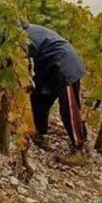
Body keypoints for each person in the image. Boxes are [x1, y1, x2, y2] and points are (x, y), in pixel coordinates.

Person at [21, 22, 89, 166]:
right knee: (39, 98)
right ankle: (41, 135)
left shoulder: (25, 37)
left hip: (65, 67)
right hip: (50, 68)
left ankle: (79, 150)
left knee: (69, 110)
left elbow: (27, 64)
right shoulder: (29, 30)